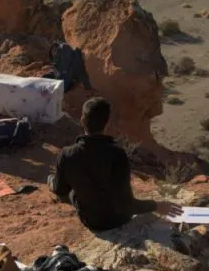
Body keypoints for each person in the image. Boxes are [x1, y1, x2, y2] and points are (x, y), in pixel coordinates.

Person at [49, 98, 181, 231]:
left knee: (74, 191)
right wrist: (157, 206)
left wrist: (51, 180)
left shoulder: (66, 154)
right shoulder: (117, 154)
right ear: (107, 124)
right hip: (118, 220)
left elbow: (60, 191)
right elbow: (126, 205)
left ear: (82, 121)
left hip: (92, 222)